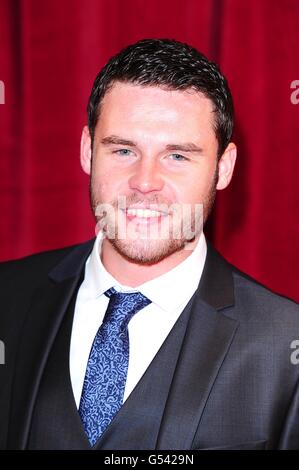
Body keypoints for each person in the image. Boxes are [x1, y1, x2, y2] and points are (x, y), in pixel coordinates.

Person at [0, 38, 298, 451]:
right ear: (88, 151)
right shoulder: (7, 297)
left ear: (223, 167)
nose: (144, 182)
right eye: (124, 150)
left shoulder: (285, 344)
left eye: (177, 156)